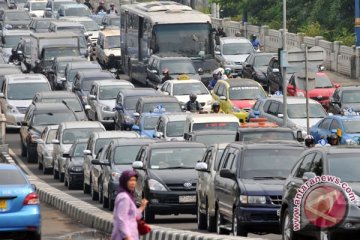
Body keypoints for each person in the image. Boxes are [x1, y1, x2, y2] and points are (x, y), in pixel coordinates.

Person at [111, 170, 148, 240]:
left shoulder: (128, 195)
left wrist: (142, 207)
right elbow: (121, 219)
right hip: (125, 236)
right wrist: (127, 237)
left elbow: (132, 215)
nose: (133, 183)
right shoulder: (124, 198)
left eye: (134, 180)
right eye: (130, 180)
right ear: (124, 181)